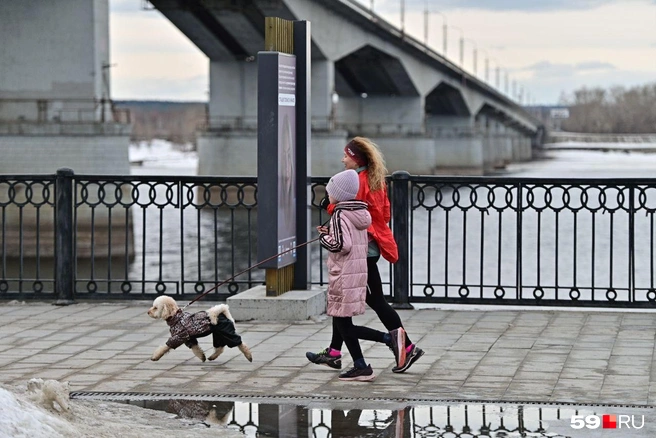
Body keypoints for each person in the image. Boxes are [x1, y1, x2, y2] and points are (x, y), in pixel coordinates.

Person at [307, 136, 424, 373]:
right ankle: (334, 351)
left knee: (374, 301)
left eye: (346, 156)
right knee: (340, 299)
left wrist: (328, 206)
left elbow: (347, 209)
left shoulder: (358, 181)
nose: (342, 159)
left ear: (356, 158)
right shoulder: (376, 179)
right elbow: (385, 213)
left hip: (362, 253)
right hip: (371, 246)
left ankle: (407, 346)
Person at [317, 169, 406, 382]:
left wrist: (324, 240)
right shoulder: (359, 212)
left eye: (330, 192)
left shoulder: (339, 213)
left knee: (342, 322)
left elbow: (342, 244)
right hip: (356, 273)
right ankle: (358, 363)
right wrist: (329, 233)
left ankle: (386, 340)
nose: (328, 196)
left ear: (338, 194)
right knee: (341, 321)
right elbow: (351, 238)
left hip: (343, 274)